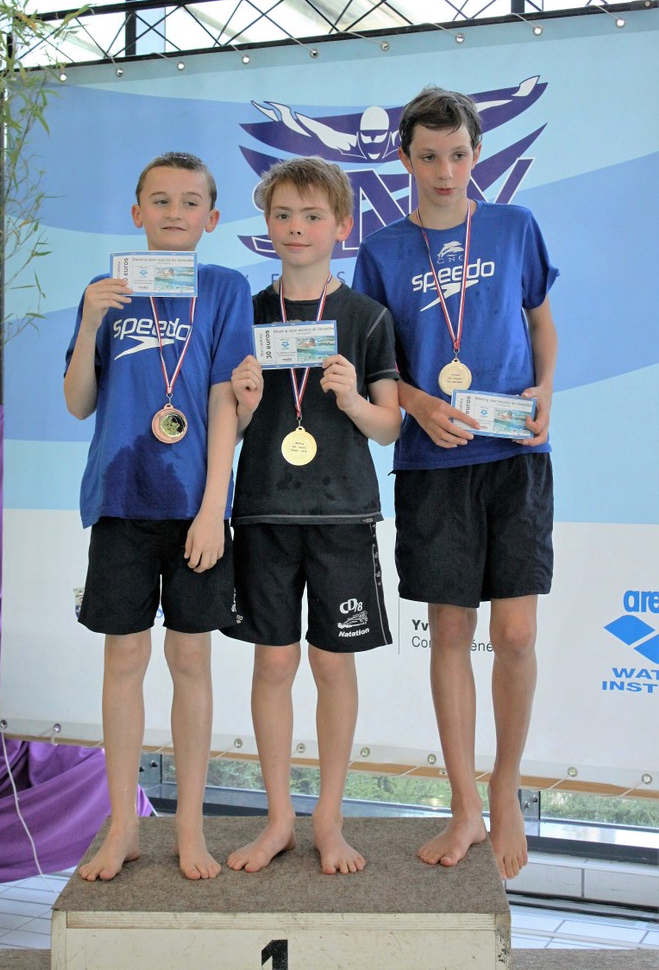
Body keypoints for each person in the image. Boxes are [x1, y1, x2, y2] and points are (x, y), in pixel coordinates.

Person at [352, 87, 558, 880]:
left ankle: (505, 787)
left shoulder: (513, 227)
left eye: (459, 154)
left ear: (478, 153)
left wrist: (545, 391)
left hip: (512, 453)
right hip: (432, 463)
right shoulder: (382, 251)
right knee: (448, 634)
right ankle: (464, 804)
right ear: (404, 159)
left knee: (516, 634)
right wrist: (416, 403)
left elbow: (539, 320)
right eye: (429, 156)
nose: (445, 170)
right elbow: (376, 365)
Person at [64, 151, 253, 881]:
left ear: (211, 217)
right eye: (161, 200)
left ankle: (190, 830)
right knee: (123, 659)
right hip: (120, 498)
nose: (175, 213)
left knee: (191, 660)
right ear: (137, 212)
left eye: (190, 201)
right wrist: (90, 321)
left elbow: (224, 402)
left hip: (193, 508)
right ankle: (123, 827)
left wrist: (212, 509)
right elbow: (79, 402)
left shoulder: (225, 288)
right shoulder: (105, 290)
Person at [224, 156, 401, 875]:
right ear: (266, 225)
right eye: (283, 215)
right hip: (263, 510)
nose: (296, 228)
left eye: (312, 215)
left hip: (341, 514)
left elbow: (389, 426)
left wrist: (353, 399)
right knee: (273, 662)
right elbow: (227, 430)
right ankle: (277, 820)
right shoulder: (243, 314)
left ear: (341, 226)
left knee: (332, 664)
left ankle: (328, 819)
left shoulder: (366, 317)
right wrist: (241, 406)